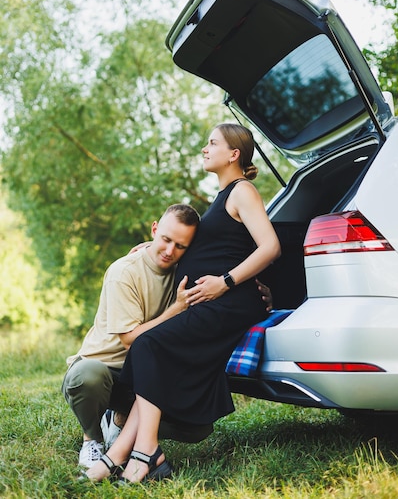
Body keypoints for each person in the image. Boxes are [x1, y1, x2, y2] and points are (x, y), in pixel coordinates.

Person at [85, 122, 281, 484]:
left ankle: (144, 452)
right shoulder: (221, 198)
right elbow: (209, 246)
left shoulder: (243, 191)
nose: (205, 149)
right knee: (154, 351)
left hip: (228, 301)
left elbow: (270, 247)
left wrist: (225, 283)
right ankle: (122, 455)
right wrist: (152, 244)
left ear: (233, 154)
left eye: (212, 143)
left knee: (148, 344)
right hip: (211, 302)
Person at [62, 204, 200, 468]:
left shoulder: (183, 270)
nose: (170, 251)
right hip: (107, 370)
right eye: (165, 239)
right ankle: (92, 438)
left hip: (145, 375)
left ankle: (121, 421)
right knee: (86, 378)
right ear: (154, 229)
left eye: (180, 246)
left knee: (197, 427)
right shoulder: (123, 272)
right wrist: (176, 309)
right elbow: (130, 339)